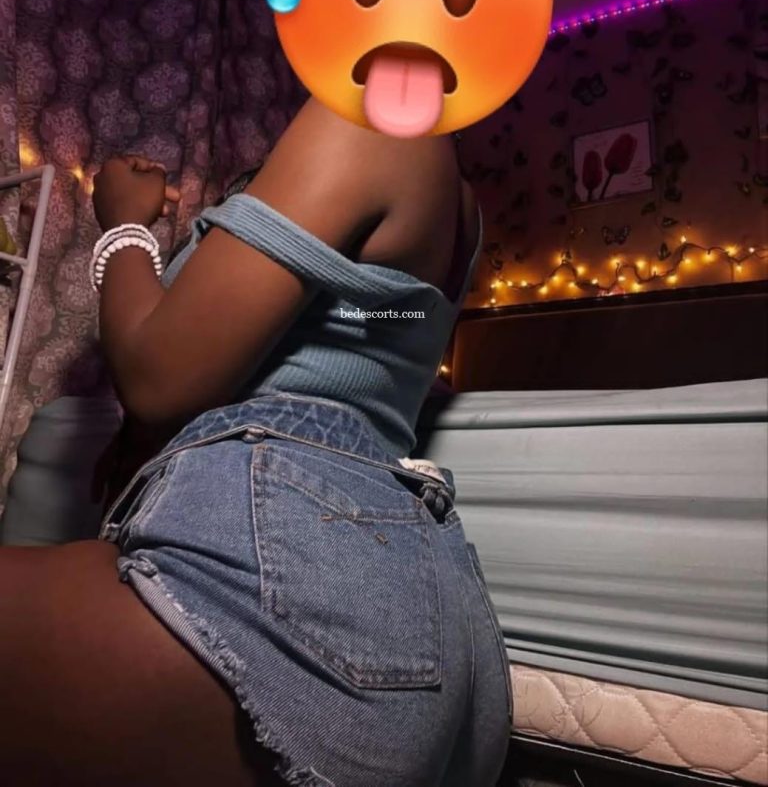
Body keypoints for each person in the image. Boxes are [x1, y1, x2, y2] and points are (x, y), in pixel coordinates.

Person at [0, 97, 512, 787]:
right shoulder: (442, 195)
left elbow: (157, 373)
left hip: (302, 581)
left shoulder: (373, 125)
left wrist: (124, 225)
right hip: (379, 586)